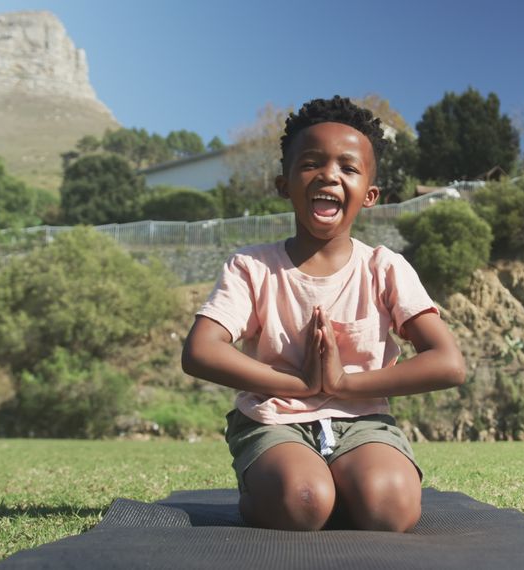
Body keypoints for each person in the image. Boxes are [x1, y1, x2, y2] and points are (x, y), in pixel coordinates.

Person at [181, 96, 465, 532]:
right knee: (303, 501)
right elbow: (200, 351)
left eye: (348, 168)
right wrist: (300, 384)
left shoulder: (385, 268)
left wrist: (343, 384)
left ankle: (344, 484)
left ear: (370, 195)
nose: (329, 174)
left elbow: (447, 363)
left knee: (390, 508)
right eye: (311, 163)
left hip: (362, 420)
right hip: (274, 418)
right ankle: (278, 490)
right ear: (285, 184)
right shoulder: (252, 267)